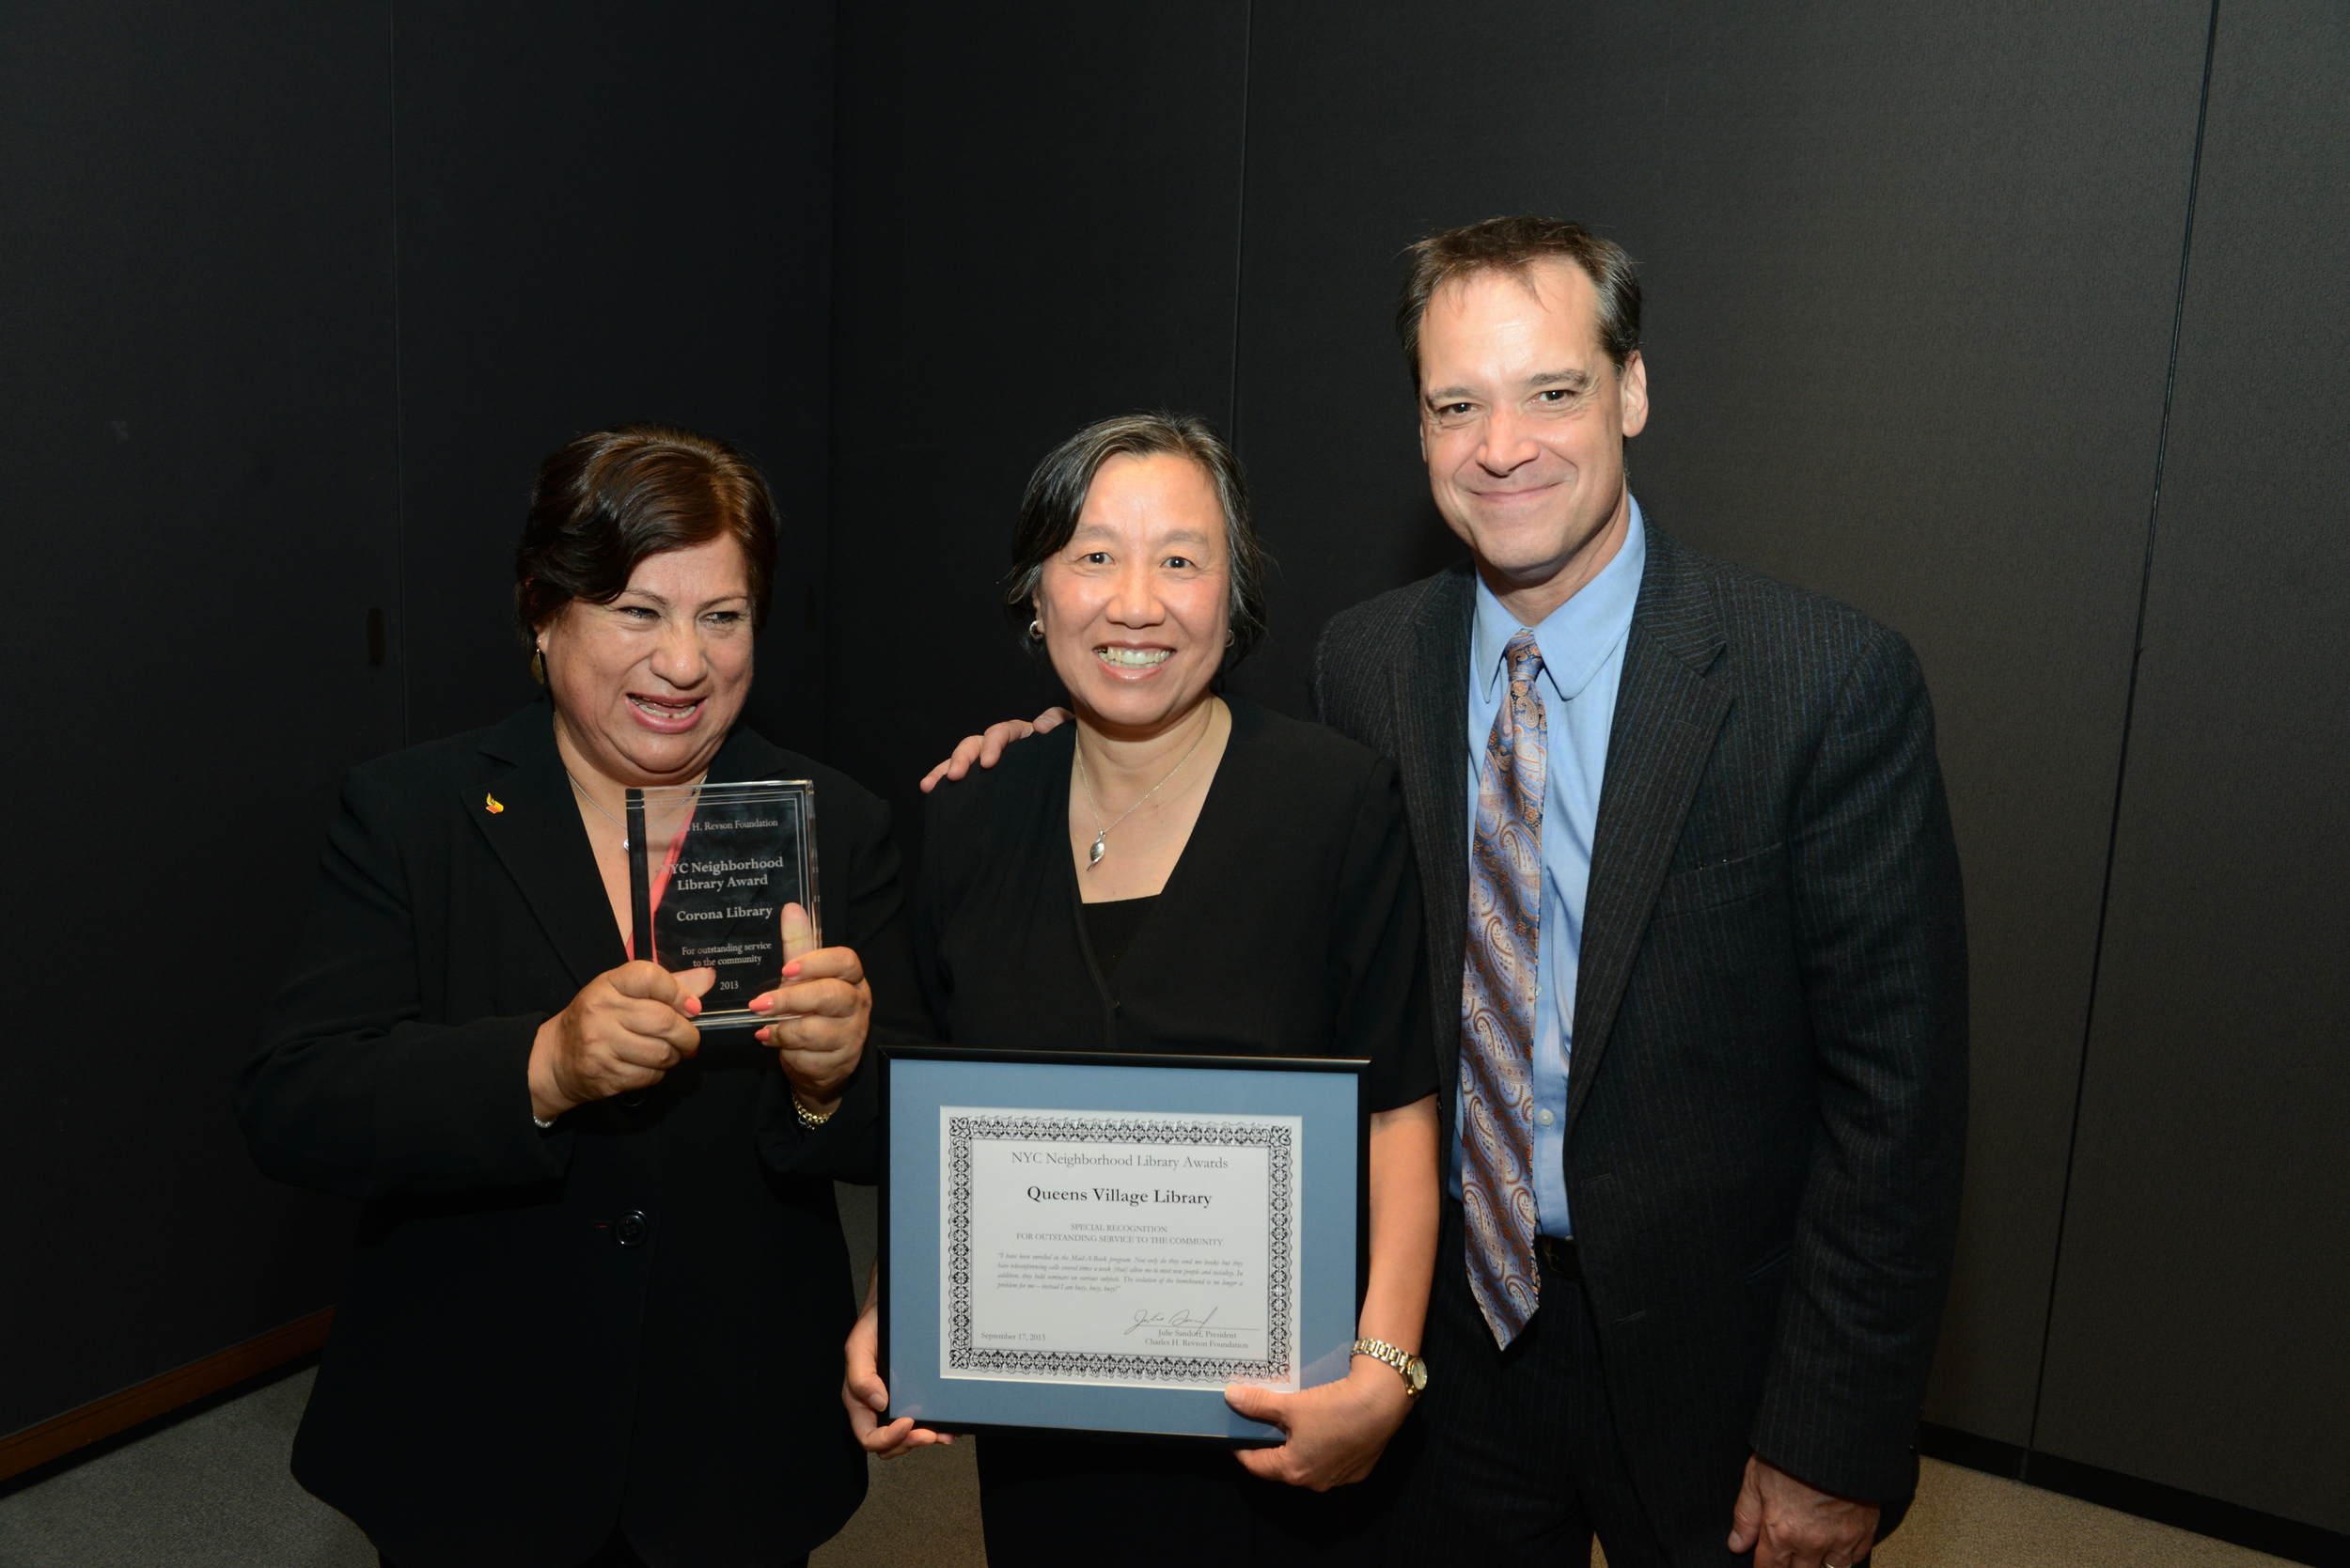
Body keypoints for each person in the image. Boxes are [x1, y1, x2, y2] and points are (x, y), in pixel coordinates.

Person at [926, 218, 1968, 1568]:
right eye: (1456, 404)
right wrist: (1042, 747)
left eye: (1552, 392)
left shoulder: (1820, 684)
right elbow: (1228, 809)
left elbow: (1900, 1103)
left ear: (1633, 391)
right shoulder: (1365, 665)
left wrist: (1834, 1435)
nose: (1502, 445)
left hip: (1715, 1362)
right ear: (1418, 429)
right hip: (1437, 1353)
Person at [234, 425, 929, 1568]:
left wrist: (828, 1081)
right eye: (637, 611)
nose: (685, 663)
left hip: (732, 1438)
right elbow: (292, 1101)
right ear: (544, 611)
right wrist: (541, 1070)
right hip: (478, 1426)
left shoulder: (831, 820)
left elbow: (915, 1121)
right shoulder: (415, 814)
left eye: (723, 615)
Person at [840, 413, 1443, 1567]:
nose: (1135, 603)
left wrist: (1385, 1370)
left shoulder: (1336, 804)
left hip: (1280, 1437)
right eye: (1093, 556)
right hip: (1045, 1439)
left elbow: (1400, 1114)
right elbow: (935, 1120)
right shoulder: (969, 812)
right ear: (1036, 593)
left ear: (1235, 592)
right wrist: (895, 1309)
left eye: (1180, 559)